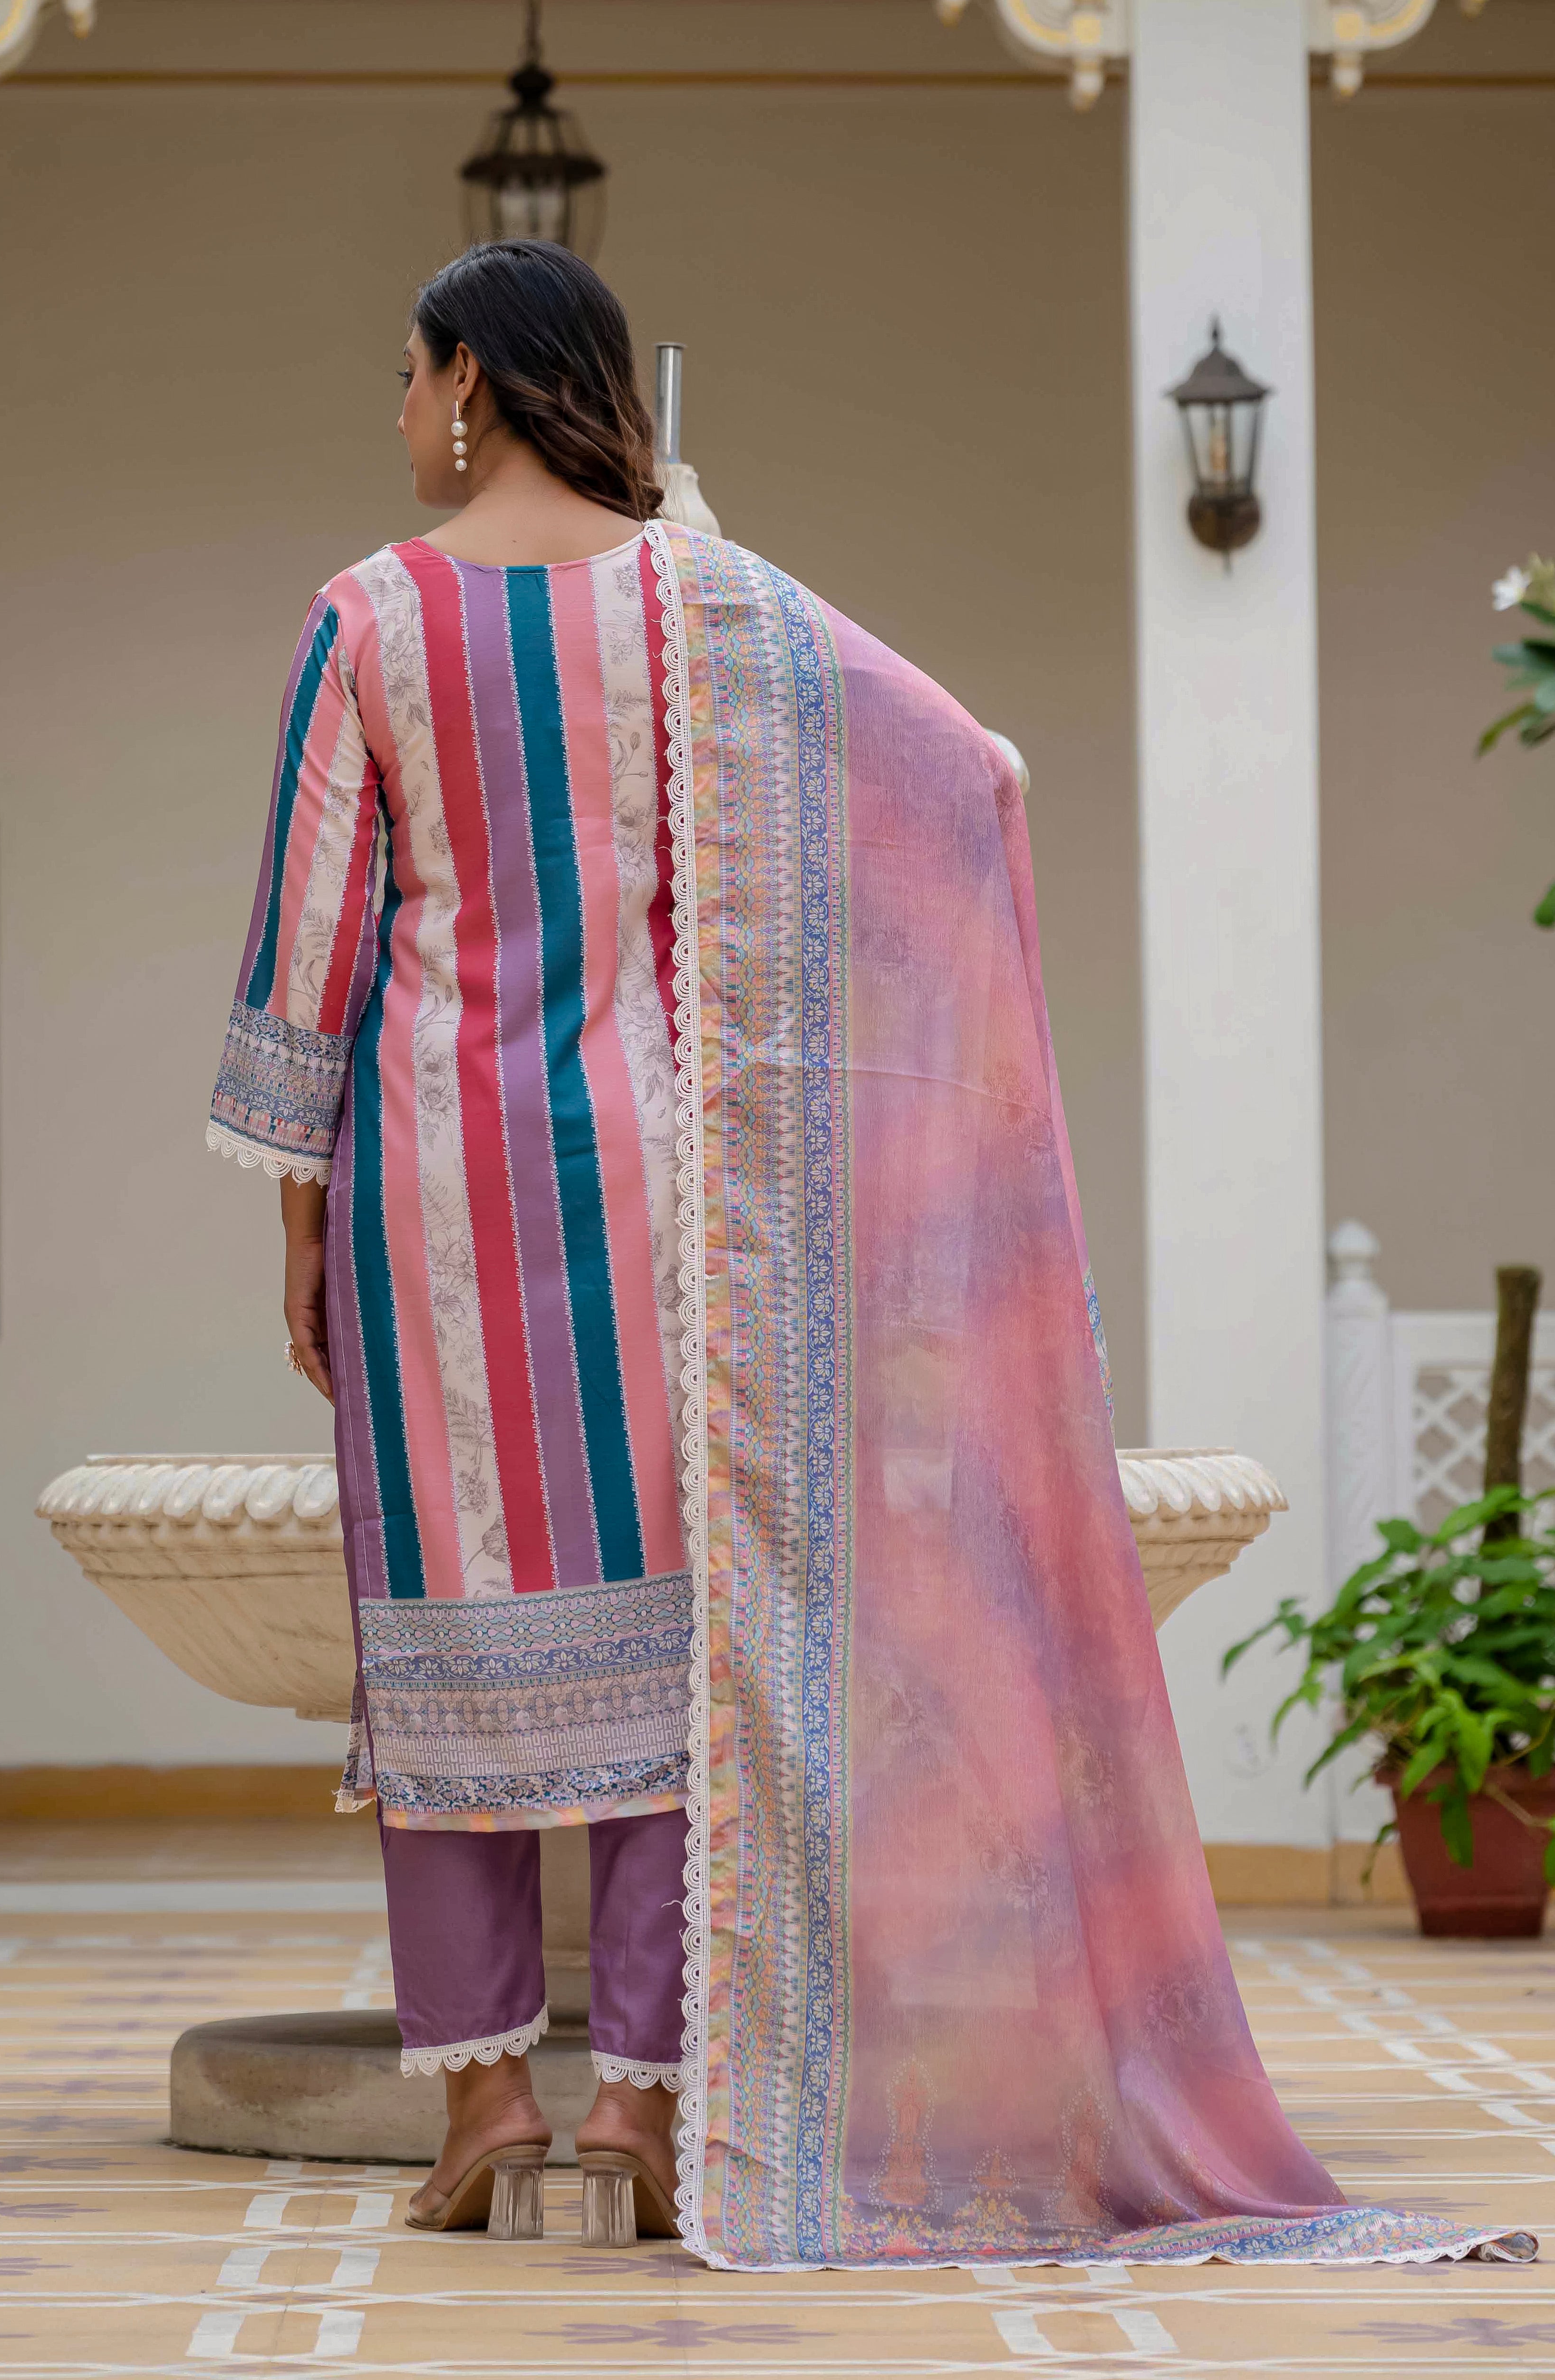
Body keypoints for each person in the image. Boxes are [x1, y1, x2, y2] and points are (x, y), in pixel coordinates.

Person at [208, 241, 1534, 2272]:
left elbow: (313, 951)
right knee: (677, 1634)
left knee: (451, 1630)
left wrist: (303, 1224)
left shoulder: (368, 620)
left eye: (403, 373)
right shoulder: (704, 600)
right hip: (664, 1193)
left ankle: (484, 2106)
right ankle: (646, 2110)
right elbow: (966, 768)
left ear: (473, 380)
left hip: (432, 1194)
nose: (392, 412)